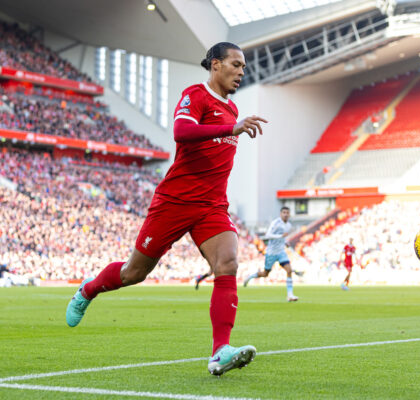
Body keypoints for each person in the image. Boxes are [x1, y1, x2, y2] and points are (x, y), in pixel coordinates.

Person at [65, 42, 268, 376]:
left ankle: (220, 352)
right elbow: (181, 131)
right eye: (236, 64)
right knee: (134, 273)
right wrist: (229, 129)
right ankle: (88, 289)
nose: (241, 72)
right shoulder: (196, 95)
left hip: (211, 206)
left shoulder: (231, 109)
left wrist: (231, 125)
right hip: (174, 201)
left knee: (228, 262)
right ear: (215, 65)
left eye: (244, 68)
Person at [243, 207, 298, 302]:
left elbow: (283, 238)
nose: (285, 214)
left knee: (289, 270)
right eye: (284, 212)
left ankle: (290, 295)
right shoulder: (275, 223)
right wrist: (280, 236)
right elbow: (268, 235)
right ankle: (250, 277)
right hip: (271, 252)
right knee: (265, 274)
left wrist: (285, 242)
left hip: (281, 252)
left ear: (289, 215)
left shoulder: (288, 225)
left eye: (287, 213)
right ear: (280, 214)